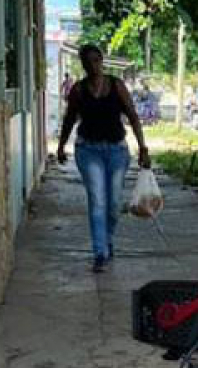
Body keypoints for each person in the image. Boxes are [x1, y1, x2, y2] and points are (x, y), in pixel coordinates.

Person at [57, 45, 151, 273]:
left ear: (102, 61)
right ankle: (100, 252)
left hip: (117, 151)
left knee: (114, 203)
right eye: (88, 62)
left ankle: (107, 240)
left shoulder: (116, 85)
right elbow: (69, 119)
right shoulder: (78, 90)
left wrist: (142, 147)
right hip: (88, 151)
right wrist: (61, 146)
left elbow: (133, 116)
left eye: (96, 60)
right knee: (98, 200)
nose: (93, 65)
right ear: (83, 65)